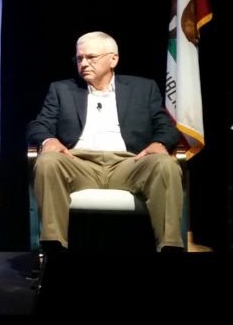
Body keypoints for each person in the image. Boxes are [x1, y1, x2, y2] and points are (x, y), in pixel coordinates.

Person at [27, 31, 183, 254]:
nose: (83, 63)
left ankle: (170, 249)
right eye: (79, 58)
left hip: (128, 164)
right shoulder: (61, 90)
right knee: (48, 161)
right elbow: (37, 125)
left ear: (113, 59)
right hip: (79, 163)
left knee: (166, 164)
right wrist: (49, 139)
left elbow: (167, 127)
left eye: (91, 57)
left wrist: (160, 143)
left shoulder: (143, 89)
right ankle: (54, 250)